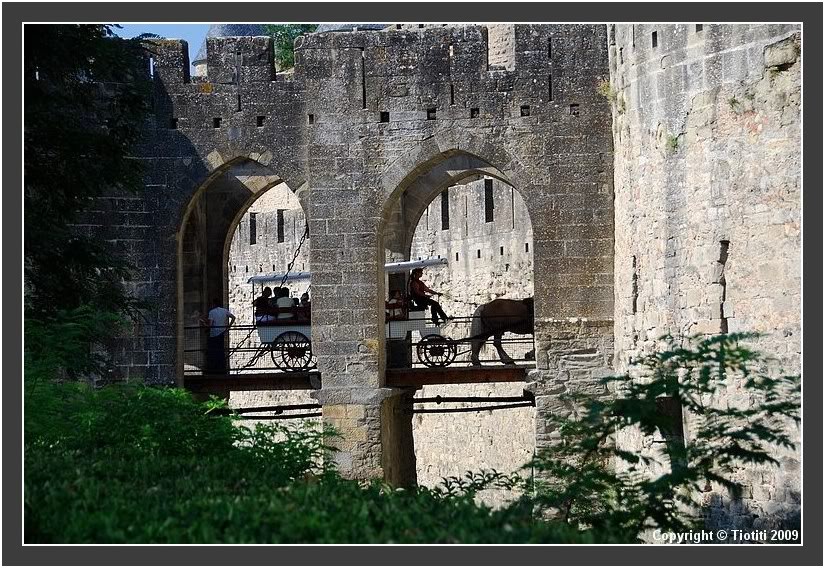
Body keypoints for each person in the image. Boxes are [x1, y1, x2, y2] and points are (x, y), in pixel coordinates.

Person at [203, 298, 235, 374]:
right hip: (222, 333)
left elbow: (210, 325)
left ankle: (213, 369)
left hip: (214, 334)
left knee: (213, 351)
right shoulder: (224, 311)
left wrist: (204, 324)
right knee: (221, 350)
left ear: (213, 304)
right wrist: (228, 327)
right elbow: (233, 317)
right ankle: (222, 368)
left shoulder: (212, 312)